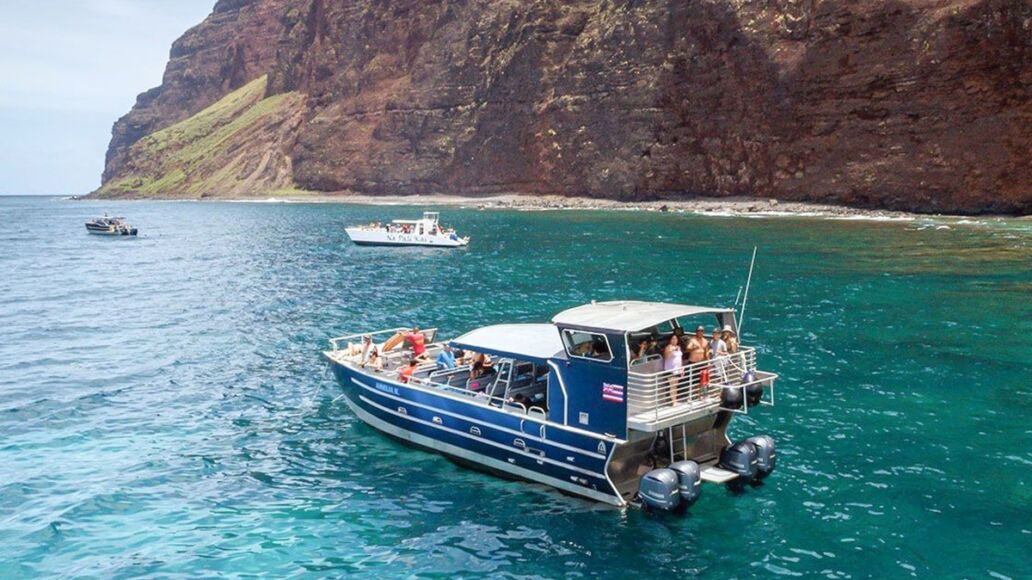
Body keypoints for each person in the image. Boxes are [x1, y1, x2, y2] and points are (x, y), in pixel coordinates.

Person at [663, 334, 683, 405]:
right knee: (672, 386)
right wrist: (672, 350)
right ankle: (673, 402)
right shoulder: (668, 347)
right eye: (673, 339)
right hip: (670, 370)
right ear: (670, 340)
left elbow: (680, 358)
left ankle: (675, 400)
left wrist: (681, 368)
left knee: (676, 385)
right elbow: (666, 356)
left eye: (676, 339)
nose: (674, 340)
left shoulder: (678, 347)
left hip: (677, 369)